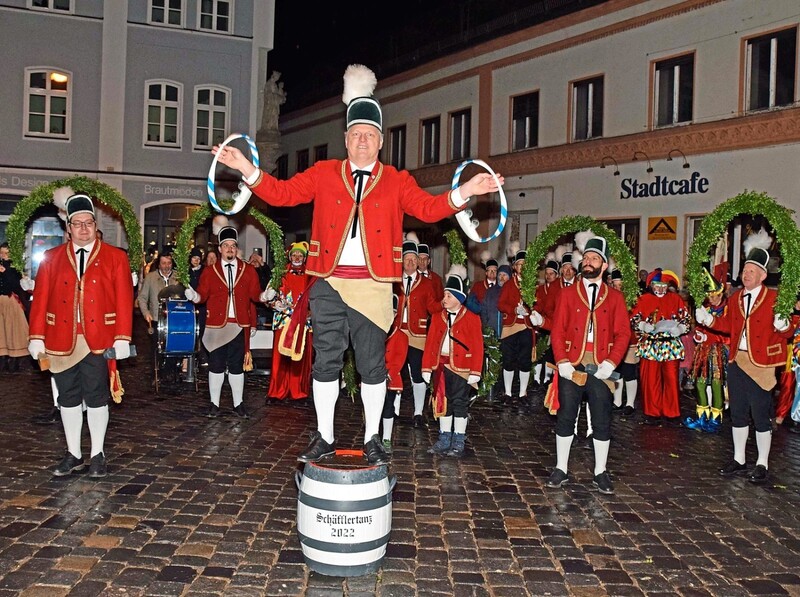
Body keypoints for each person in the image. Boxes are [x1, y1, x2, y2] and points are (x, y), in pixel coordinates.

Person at [211, 63, 502, 465]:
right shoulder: (324, 173)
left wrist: (466, 190)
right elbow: (281, 193)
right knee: (326, 359)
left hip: (374, 284)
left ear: (380, 142)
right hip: (327, 280)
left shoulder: (397, 179)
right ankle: (325, 435)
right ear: (345, 139)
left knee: (372, 365)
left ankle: (372, 438)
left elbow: (429, 207)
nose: (362, 142)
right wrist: (245, 168)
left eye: (369, 136)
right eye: (355, 135)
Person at [27, 193, 133, 478]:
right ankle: (73, 453)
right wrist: (36, 336)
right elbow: (40, 299)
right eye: (78, 223)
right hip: (60, 339)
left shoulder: (115, 257)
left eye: (88, 223)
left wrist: (123, 336)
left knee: (97, 396)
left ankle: (97, 453)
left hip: (99, 340)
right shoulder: (51, 258)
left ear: (95, 225)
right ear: (68, 228)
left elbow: (124, 299)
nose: (83, 228)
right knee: (68, 397)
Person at [696, 237, 794, 484]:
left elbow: (790, 328)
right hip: (736, 361)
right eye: (744, 270)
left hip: (762, 364)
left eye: (752, 271)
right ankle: (739, 458)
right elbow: (727, 326)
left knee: (761, 415)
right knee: (738, 413)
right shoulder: (737, 297)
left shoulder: (775, 298)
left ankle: (762, 463)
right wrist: (708, 320)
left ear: (762, 275)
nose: (746, 274)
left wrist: (784, 325)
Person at [546, 236, 630, 495]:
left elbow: (624, 334)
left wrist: (611, 362)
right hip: (573, 364)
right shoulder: (568, 293)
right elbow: (557, 330)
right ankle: (561, 468)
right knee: (566, 416)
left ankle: (600, 471)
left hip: (602, 367)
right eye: (587, 258)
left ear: (604, 266)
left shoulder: (615, 297)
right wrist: (562, 362)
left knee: (602, 419)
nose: (589, 262)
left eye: (595, 259)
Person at [184, 225, 266, 419]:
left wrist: (265, 296)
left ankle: (239, 404)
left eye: (233, 245)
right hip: (216, 326)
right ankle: (214, 404)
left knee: (237, 367)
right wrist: (194, 296)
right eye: (226, 245)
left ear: (236, 248)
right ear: (219, 249)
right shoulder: (210, 271)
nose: (230, 249)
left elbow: (255, 294)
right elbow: (202, 295)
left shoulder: (248, 270)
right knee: (216, 366)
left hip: (239, 326)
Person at [423, 266, 483, 457]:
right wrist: (426, 366)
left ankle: (458, 440)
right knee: (443, 402)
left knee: (460, 404)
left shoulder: (472, 319)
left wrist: (475, 371)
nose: (444, 299)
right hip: (441, 367)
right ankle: (444, 438)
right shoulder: (437, 317)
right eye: (444, 295)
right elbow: (430, 342)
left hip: (461, 369)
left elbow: (477, 347)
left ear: (459, 298)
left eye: (448, 296)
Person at [630, 268, 690, 426]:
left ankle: (672, 412)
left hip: (670, 344)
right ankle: (652, 412)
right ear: (651, 285)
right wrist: (642, 325)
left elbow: (686, 319)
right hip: (650, 344)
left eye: (664, 285)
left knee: (671, 378)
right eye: (658, 285)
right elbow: (633, 318)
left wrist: (681, 329)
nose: (661, 289)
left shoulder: (676, 299)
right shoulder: (643, 299)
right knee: (650, 379)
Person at [396, 235, 442, 428]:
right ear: (402, 261)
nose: (411, 262)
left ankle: (417, 413)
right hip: (397, 333)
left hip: (417, 336)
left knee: (418, 374)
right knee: (395, 372)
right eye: (407, 259)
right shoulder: (394, 281)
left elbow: (433, 307)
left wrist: (446, 305)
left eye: (414, 259)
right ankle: (394, 410)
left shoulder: (426, 283)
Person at [684, 266, 730, 432]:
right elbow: (700, 328)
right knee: (700, 383)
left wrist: (709, 336)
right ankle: (701, 416)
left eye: (715, 295)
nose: (712, 299)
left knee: (717, 384)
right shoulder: (706, 308)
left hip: (718, 352)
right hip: (703, 352)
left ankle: (716, 419)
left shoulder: (727, 309)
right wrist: (698, 334)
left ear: (721, 293)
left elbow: (727, 332)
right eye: (709, 296)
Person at [267, 242, 313, 400]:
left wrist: (311, 311)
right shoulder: (280, 273)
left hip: (303, 322)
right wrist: (275, 304)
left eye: (300, 255)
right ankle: (277, 391)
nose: (297, 257)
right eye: (294, 254)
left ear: (305, 257)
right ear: (289, 256)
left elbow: (318, 298)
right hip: (283, 320)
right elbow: (268, 295)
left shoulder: (312, 275)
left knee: (300, 357)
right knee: (279, 357)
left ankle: (299, 392)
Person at [497, 244, 536, 407]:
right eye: (520, 264)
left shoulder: (532, 285)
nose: (522, 267)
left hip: (526, 327)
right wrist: (513, 309)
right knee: (508, 360)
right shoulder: (508, 285)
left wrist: (530, 310)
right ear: (515, 267)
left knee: (524, 361)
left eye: (525, 265)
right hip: (511, 327)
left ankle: (522, 393)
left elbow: (537, 305)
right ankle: (507, 392)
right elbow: (501, 304)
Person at [138, 252, 182, 383]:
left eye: (169, 263)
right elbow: (142, 297)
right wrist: (146, 313)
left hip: (174, 320)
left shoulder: (178, 277)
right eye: (163, 263)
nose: (166, 266)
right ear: (159, 264)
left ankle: (171, 372)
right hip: (157, 319)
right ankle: (156, 374)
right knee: (156, 348)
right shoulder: (151, 277)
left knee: (174, 346)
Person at [609, 268, 639, 418]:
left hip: (631, 341)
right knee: (617, 372)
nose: (618, 288)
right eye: (616, 285)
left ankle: (630, 403)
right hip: (615, 340)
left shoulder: (632, 299)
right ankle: (618, 401)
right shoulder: (611, 297)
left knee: (629, 372)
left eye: (621, 285)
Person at [380, 293, 408, 453]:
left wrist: (387, 373)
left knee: (388, 407)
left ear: (396, 313)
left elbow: (399, 359)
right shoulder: (374, 333)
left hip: (390, 378)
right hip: (374, 376)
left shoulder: (401, 336)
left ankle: (387, 437)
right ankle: (372, 436)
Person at [0, 242, 29, 373]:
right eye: (1, 253)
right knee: (2, 332)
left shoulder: (15, 267)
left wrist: (5, 272)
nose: (3, 255)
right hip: (1, 301)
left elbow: (16, 285)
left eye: (6, 253)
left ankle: (15, 361)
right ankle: (3, 360)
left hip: (11, 300)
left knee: (14, 330)